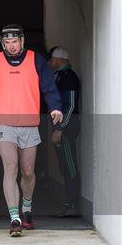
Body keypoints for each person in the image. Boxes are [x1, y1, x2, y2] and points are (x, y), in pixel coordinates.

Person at [0, 24, 63, 237]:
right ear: (2, 43)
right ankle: (15, 217)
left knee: (28, 172)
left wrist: (55, 107)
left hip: (29, 123)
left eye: (14, 42)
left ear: (22, 40)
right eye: (6, 43)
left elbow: (49, 87)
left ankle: (27, 209)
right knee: (11, 167)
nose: (11, 46)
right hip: (3, 123)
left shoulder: (37, 60)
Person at [47, 46, 81, 218]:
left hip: (67, 129)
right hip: (62, 128)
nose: (50, 63)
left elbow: (71, 106)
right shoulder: (60, 76)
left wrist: (60, 128)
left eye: (52, 60)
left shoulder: (69, 78)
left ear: (59, 60)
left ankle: (72, 204)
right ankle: (69, 203)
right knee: (64, 165)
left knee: (69, 166)